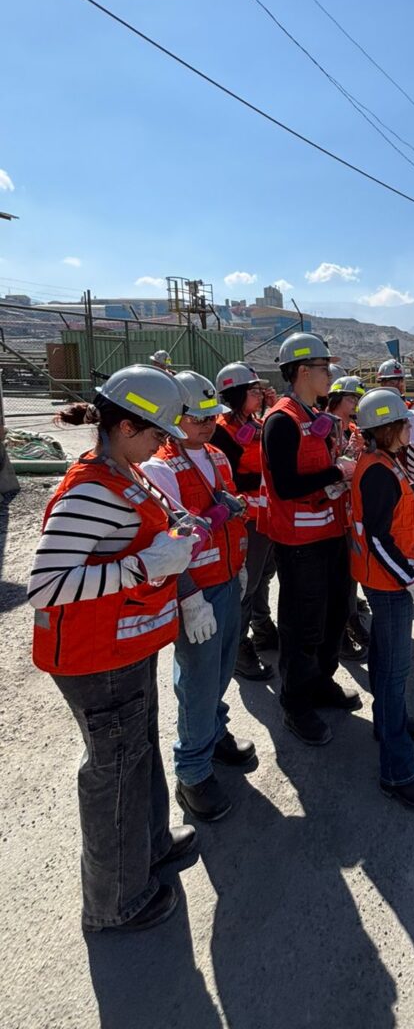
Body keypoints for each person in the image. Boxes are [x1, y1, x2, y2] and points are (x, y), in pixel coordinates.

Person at [28, 365, 197, 932]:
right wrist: (143, 566)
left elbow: (143, 527)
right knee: (114, 772)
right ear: (125, 426)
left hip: (126, 647)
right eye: (157, 434)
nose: (163, 446)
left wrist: (175, 532)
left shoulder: (123, 470)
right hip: (96, 659)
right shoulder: (91, 488)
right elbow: (46, 585)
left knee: (137, 751)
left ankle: (146, 848)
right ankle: (114, 902)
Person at [142, 371, 253, 823]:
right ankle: (192, 772)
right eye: (197, 417)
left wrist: (242, 564)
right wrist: (188, 597)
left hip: (227, 580)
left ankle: (214, 731)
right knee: (197, 680)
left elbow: (230, 512)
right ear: (174, 417)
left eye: (212, 416)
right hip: (198, 591)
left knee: (222, 668)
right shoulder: (160, 468)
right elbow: (167, 539)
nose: (207, 424)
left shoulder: (216, 456)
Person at [259, 332, 359, 747]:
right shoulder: (281, 420)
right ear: (302, 371)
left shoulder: (315, 415)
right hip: (301, 542)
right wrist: (338, 473)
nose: (330, 375)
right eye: (324, 368)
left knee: (336, 612)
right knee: (304, 623)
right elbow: (284, 486)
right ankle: (295, 702)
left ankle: (322, 682)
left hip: (331, 530)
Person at [349, 388, 414, 810]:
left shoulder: (387, 463)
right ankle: (397, 770)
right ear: (387, 429)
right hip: (389, 586)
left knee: (388, 665)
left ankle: (391, 721)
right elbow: (378, 540)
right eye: (404, 422)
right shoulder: (377, 472)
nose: (410, 426)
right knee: (393, 670)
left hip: (394, 580)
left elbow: (400, 523)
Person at [212, 362, 276, 683]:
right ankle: (238, 647)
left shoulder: (257, 422)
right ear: (236, 394)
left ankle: (262, 626)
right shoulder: (221, 430)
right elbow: (231, 477)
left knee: (265, 574)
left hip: (265, 514)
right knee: (247, 582)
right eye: (253, 391)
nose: (259, 394)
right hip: (245, 518)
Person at [327, 374, 371, 663]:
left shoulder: (353, 428)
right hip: (329, 513)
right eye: (352, 398)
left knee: (351, 570)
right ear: (337, 398)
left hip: (350, 510)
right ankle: (339, 631)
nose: (355, 403)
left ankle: (351, 618)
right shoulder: (323, 426)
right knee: (336, 577)